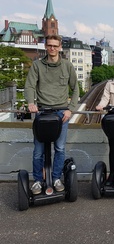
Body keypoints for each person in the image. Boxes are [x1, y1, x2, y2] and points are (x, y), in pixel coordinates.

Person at [24, 34, 79, 195]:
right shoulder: (37, 66)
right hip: (42, 112)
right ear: (46, 47)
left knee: (60, 148)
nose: (52, 48)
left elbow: (75, 89)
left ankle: (56, 178)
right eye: (50, 46)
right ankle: (38, 181)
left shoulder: (67, 66)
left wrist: (71, 109)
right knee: (38, 151)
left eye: (55, 46)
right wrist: (30, 103)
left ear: (60, 47)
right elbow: (29, 86)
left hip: (62, 112)